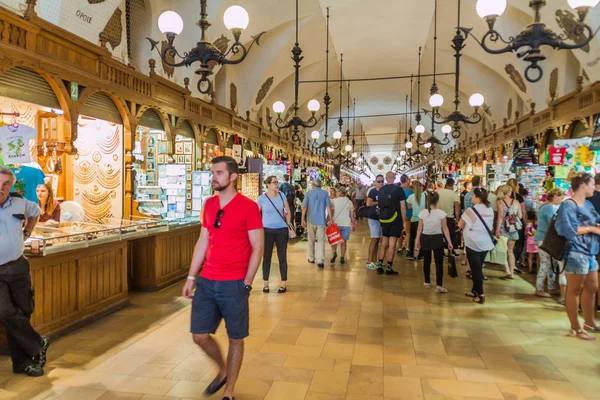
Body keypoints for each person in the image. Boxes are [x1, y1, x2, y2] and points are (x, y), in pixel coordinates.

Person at [182, 156, 264, 399]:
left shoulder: (248, 207)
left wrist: (247, 283)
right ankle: (222, 370)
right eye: (212, 173)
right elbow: (203, 240)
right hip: (207, 280)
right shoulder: (208, 205)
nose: (213, 177)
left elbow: (257, 247)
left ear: (233, 176)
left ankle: (229, 391)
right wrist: (191, 276)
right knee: (199, 335)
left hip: (234, 282)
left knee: (235, 338)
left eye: (218, 173)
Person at [0, 166, 49, 377]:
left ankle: (23, 364)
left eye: (5, 184)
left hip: (18, 265)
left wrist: (28, 231)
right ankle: (37, 343)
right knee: (4, 312)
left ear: (11, 185)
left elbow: (36, 212)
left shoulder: (19, 202)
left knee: (23, 312)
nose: (1, 188)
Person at [555, 173, 600, 341]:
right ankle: (575, 327)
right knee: (574, 290)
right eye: (592, 184)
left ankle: (589, 322)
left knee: (592, 286)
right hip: (575, 251)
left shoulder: (588, 204)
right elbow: (568, 230)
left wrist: (595, 227)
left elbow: (596, 221)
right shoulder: (568, 205)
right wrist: (591, 229)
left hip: (590, 251)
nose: (594, 187)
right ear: (583, 185)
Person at [458, 188, 495, 304]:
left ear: (478, 197)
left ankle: (481, 294)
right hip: (485, 243)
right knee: (477, 267)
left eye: (473, 195)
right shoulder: (490, 210)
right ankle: (474, 290)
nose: (472, 197)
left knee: (476, 270)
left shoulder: (471, 211)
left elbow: (460, 225)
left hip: (472, 243)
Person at [257, 176, 292, 294]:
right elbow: (257, 214)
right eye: (274, 183)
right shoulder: (261, 198)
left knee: (282, 257)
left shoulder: (282, 196)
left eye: (277, 182)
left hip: (281, 229)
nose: (277, 184)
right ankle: (265, 283)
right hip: (267, 230)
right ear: (268, 184)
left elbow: (287, 210)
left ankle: (283, 283)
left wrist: (288, 223)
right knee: (266, 257)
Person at [415, 191, 454, 293]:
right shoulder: (441, 214)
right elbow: (445, 229)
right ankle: (439, 285)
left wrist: (417, 240)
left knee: (426, 260)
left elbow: (419, 229)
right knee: (438, 262)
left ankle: (427, 282)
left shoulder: (422, 213)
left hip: (425, 237)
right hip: (437, 238)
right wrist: (449, 242)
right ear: (437, 201)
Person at [534, 188, 566, 298]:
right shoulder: (548, 208)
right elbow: (553, 223)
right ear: (555, 196)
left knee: (551, 263)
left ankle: (551, 287)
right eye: (560, 197)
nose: (561, 200)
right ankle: (539, 288)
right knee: (546, 263)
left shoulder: (544, 206)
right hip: (544, 239)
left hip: (544, 238)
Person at [375, 171, 407, 275]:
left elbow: (379, 205)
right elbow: (402, 207)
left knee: (384, 242)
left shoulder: (381, 190)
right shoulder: (399, 190)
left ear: (386, 178)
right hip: (395, 218)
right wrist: (404, 222)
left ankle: (379, 265)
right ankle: (389, 267)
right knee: (392, 243)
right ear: (394, 178)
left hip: (384, 218)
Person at [301, 179, 333, 269]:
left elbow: (304, 206)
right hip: (321, 221)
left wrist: (302, 218)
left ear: (314, 185)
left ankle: (311, 258)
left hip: (310, 220)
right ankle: (320, 260)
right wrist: (330, 218)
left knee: (311, 240)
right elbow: (329, 207)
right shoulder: (325, 193)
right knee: (321, 241)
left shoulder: (308, 193)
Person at [495, 185, 522, 280]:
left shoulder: (500, 202)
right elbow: (520, 216)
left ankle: (507, 270)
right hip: (513, 228)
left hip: (503, 228)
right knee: (510, 251)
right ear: (509, 192)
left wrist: (497, 229)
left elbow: (500, 216)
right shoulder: (516, 202)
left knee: (502, 250)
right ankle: (512, 272)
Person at [330, 187, 356, 264]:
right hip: (346, 224)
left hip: (335, 223)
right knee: (343, 242)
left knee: (334, 240)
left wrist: (329, 220)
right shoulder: (349, 201)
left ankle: (334, 252)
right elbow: (352, 215)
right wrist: (353, 223)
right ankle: (342, 257)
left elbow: (331, 212)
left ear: (340, 192)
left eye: (337, 192)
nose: (336, 193)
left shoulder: (333, 201)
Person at [436, 178, 460, 254]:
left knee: (439, 233)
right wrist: (457, 218)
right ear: (453, 185)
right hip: (449, 217)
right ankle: (451, 250)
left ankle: (441, 251)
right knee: (450, 233)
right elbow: (457, 207)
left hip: (438, 216)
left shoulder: (438, 192)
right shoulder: (454, 195)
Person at [508, 178, 527, 272]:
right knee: (519, 244)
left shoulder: (504, 197)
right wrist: (526, 224)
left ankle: (508, 264)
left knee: (508, 246)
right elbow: (523, 212)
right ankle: (513, 263)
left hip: (506, 224)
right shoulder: (519, 197)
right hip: (517, 224)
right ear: (516, 186)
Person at [365, 176, 384, 270]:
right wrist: (378, 202)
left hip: (382, 218)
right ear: (375, 182)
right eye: (379, 181)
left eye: (382, 181)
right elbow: (368, 203)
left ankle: (375, 260)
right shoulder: (373, 191)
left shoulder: (384, 191)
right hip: (373, 217)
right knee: (374, 239)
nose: (381, 183)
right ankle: (369, 261)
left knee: (378, 240)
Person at [406, 181, 426, 261]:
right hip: (424, 219)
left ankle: (411, 254)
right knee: (422, 237)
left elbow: (409, 207)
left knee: (412, 237)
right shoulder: (426, 196)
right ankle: (421, 255)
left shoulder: (411, 197)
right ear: (421, 187)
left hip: (414, 219)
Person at [398, 174, 414, 255]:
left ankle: (399, 247)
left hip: (399, 214)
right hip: (409, 214)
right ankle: (407, 248)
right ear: (407, 180)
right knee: (408, 232)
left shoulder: (397, 190)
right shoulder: (411, 191)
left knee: (400, 231)